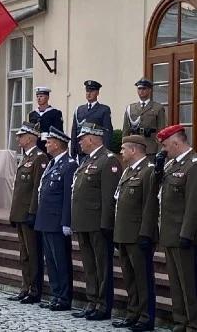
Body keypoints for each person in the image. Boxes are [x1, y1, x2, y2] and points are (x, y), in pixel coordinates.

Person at [71, 122, 122, 321]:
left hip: (98, 224)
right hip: (84, 222)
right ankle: (92, 301)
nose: (80, 143)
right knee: (89, 266)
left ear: (92, 138)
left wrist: (106, 224)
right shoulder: (86, 160)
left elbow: (109, 197)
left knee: (102, 266)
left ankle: (103, 305)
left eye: (82, 139)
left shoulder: (108, 160)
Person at [111, 135, 158, 331]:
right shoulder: (128, 171)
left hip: (138, 234)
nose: (121, 152)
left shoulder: (149, 171)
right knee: (129, 277)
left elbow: (150, 205)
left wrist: (146, 233)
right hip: (123, 232)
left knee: (142, 278)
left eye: (123, 149)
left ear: (134, 150)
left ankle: (146, 317)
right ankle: (133, 313)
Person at [156, 125, 197, 331]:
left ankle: (193, 323)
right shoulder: (171, 165)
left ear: (175, 142)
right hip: (169, 233)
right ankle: (180, 320)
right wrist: (157, 169)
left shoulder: (193, 165)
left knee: (188, 283)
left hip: (183, 234)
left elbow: (193, 203)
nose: (164, 150)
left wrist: (187, 233)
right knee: (176, 282)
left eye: (165, 145)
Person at [35, 126, 76, 311]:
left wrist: (66, 222)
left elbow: (68, 196)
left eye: (49, 141)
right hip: (46, 220)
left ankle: (64, 297)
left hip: (57, 221)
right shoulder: (52, 163)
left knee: (61, 261)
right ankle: (56, 294)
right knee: (50, 261)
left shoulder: (69, 164)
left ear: (58, 144)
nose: (46, 144)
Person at [8, 122, 48, 304]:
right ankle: (25, 286)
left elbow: (36, 189)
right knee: (24, 253)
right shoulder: (26, 158)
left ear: (31, 137)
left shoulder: (39, 158)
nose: (18, 138)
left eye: (21, 135)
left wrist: (33, 212)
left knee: (33, 253)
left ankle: (35, 289)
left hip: (29, 214)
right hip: (20, 213)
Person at [70, 80, 114, 160]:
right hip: (81, 152)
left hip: (95, 151)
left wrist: (106, 151)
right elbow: (74, 131)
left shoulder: (104, 110)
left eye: (92, 91)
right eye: (87, 91)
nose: (89, 93)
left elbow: (107, 132)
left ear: (97, 93)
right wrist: (73, 152)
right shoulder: (79, 110)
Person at [122, 78, 167, 156]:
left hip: (150, 147)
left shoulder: (158, 108)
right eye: (139, 89)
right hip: (134, 147)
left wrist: (160, 150)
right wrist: (124, 147)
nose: (141, 91)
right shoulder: (131, 108)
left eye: (144, 89)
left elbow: (161, 131)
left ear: (149, 90)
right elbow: (126, 130)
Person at [28, 87, 63, 153]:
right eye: (37, 96)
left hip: (49, 145)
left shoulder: (55, 113)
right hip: (36, 145)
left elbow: (58, 131)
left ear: (47, 98)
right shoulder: (32, 114)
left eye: (41, 96)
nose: (39, 98)